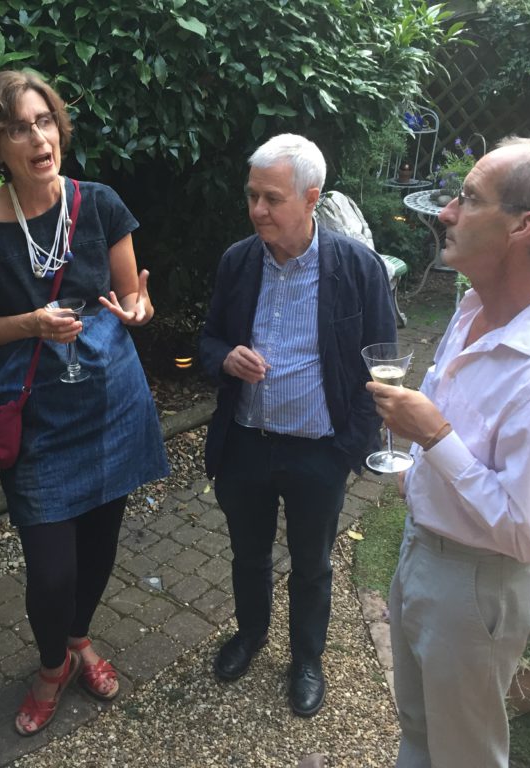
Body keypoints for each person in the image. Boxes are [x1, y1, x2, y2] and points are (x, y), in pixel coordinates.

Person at [367, 137, 530, 768]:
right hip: (424, 550)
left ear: (524, 227)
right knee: (420, 729)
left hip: (477, 585)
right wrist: (423, 474)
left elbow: (528, 533)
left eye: (469, 198)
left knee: (466, 756)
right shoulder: (474, 305)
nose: (445, 211)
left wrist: (435, 440)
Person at [0, 69, 169, 736]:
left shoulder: (98, 202)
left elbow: (136, 298)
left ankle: (78, 640)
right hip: (37, 414)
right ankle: (52, 664)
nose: (38, 137)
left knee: (101, 544)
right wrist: (29, 324)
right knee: (50, 569)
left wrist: (135, 309)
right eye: (19, 127)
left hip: (112, 400)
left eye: (44, 120)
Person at [199, 133, 396, 716]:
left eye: (272, 199)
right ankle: (251, 636)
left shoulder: (357, 268)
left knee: (312, 564)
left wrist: (348, 449)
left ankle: (307, 659)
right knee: (248, 555)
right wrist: (225, 357)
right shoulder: (238, 261)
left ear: (311, 199)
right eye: (252, 196)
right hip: (246, 446)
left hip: (319, 452)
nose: (258, 209)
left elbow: (382, 363)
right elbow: (208, 340)